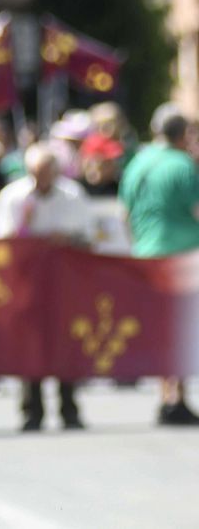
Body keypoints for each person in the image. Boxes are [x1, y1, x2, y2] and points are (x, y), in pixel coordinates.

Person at [0, 143, 91, 431]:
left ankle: (69, 408)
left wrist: (66, 239)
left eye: (46, 173)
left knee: (66, 342)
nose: (41, 180)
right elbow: (1, 240)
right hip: (28, 285)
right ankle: (31, 410)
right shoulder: (13, 197)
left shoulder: (73, 196)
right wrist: (27, 232)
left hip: (64, 285)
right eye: (36, 174)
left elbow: (87, 238)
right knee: (30, 345)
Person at [119, 102, 199, 425]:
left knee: (159, 327)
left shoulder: (137, 163)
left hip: (147, 254)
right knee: (181, 327)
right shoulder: (184, 165)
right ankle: (176, 396)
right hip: (183, 255)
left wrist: (139, 244)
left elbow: (124, 215)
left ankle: (164, 395)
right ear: (182, 134)